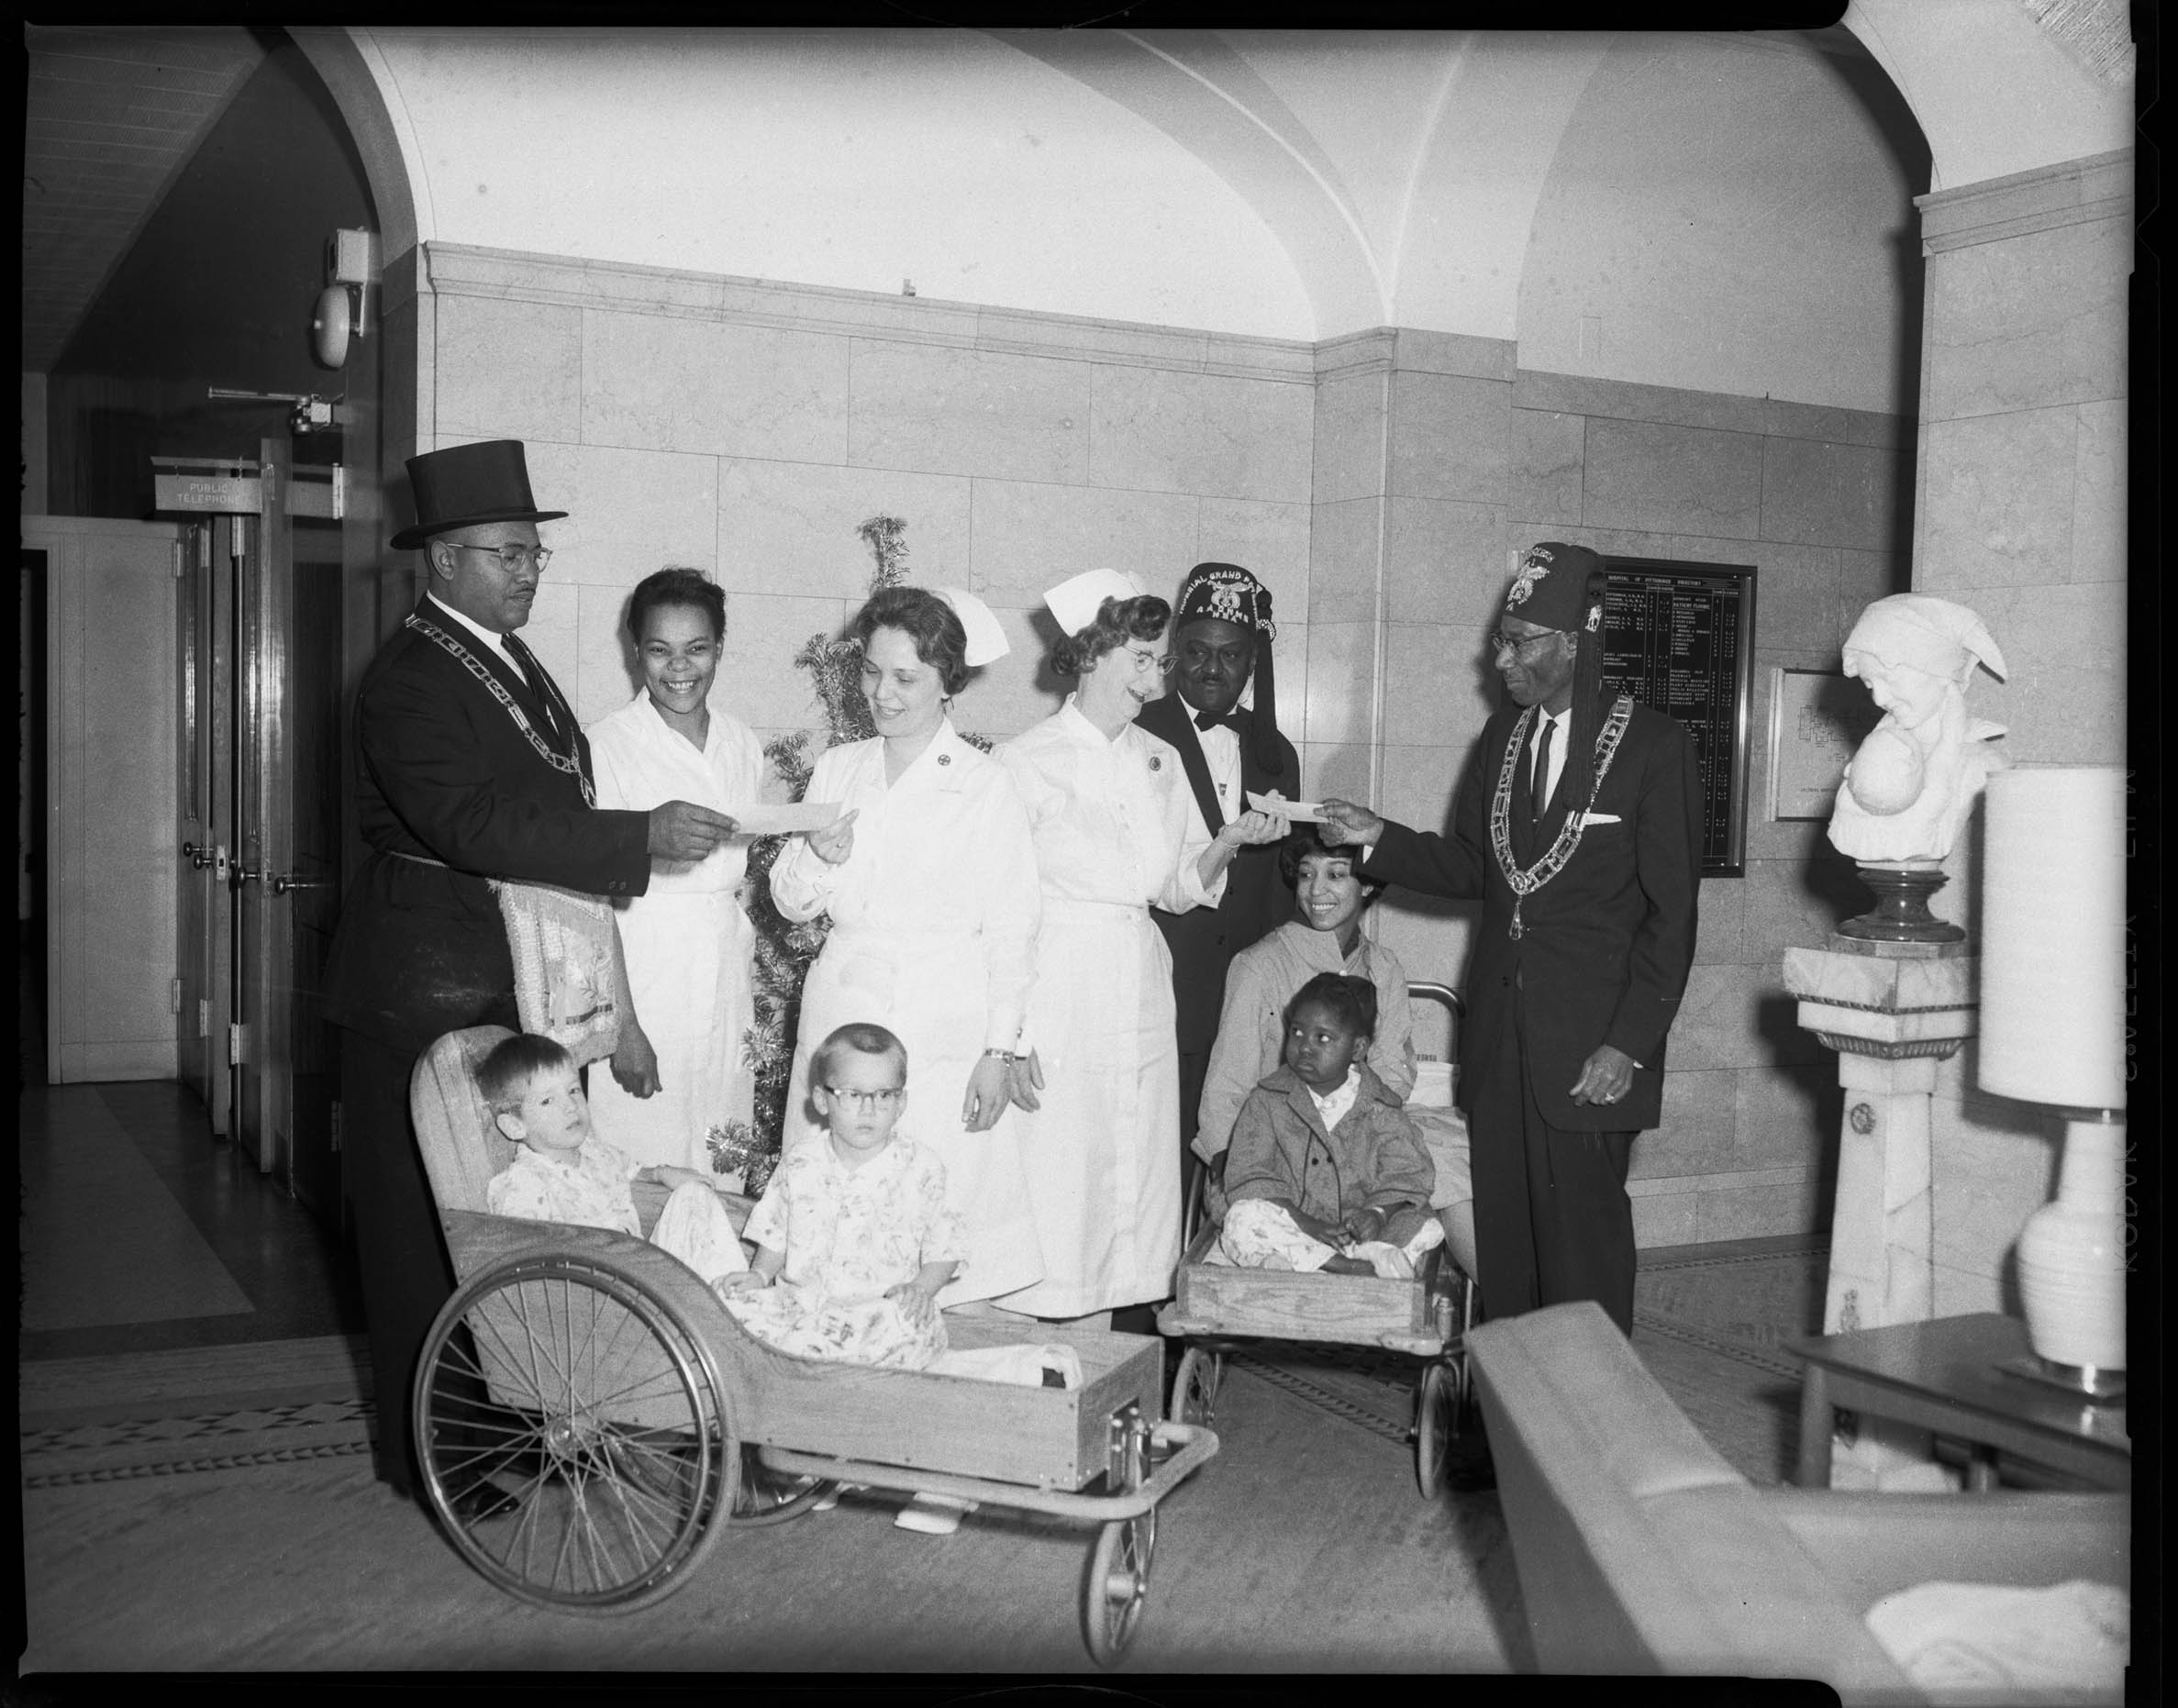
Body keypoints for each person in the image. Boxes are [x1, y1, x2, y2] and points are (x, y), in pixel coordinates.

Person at [324, 438, 739, 1514]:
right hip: (421, 984)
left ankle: (503, 1414)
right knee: (427, 1221)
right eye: (506, 555)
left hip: (496, 969)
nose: (527, 571)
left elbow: (541, 802)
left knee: (501, 1211)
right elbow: (467, 820)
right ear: (443, 561)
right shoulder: (409, 676)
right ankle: (439, 1457)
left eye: (533, 554)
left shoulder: (504, 655)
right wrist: (633, 835)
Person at [1319, 540, 1700, 1350]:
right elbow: (1474, 867)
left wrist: (1628, 1045)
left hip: (1590, 1054)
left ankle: (1591, 1439)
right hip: (1500, 1046)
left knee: (1582, 1252)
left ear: (1575, 640)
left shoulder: (1652, 748)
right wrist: (1379, 838)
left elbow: (1673, 919)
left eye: (1519, 640)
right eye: (1502, 638)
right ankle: (1510, 1439)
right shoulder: (1502, 739)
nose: (1499, 660)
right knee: (1510, 1254)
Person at [993, 569, 1286, 1325]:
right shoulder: (1025, 763)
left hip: (1140, 980)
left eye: (1162, 663)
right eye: (1146, 661)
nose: (1160, 682)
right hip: (1060, 986)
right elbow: (1002, 908)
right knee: (1063, 1181)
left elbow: (1176, 885)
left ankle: (1103, 1374)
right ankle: (1040, 1367)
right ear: (1090, 654)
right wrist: (1012, 1033)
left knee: (1132, 1187)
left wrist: (1227, 842)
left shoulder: (1156, 759)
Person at [768, 586, 1045, 1309]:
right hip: (843, 1006)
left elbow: (1013, 928)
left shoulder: (986, 786)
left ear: (950, 682)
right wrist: (819, 856)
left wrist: (1000, 1048)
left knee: (944, 1231)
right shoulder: (841, 768)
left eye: (906, 678)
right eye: (870, 671)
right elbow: (790, 903)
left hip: (942, 1019)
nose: (880, 694)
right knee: (830, 1231)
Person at [717, 1022, 1081, 1536]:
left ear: (902, 1102)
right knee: (747, 1318)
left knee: (890, 1339)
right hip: (813, 1310)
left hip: (883, 1312)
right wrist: (759, 1275)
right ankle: (819, 1462)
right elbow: (775, 1229)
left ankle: (943, 1474)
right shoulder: (801, 1162)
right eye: (853, 1095)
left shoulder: (920, 1168)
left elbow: (945, 1249)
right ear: (822, 1100)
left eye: (883, 1095)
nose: (869, 1110)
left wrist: (921, 1289)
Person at [1195, 826, 1477, 1279]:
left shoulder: (1383, 967)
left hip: (1365, 1129)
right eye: (1306, 875)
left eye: (1336, 874)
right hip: (1276, 1139)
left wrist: (1352, 1122)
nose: (1316, 890)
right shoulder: (1260, 964)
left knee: (1451, 1165)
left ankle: (1511, 1322)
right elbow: (1226, 1088)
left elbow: (1393, 1077)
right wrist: (1230, 1160)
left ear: (1366, 883)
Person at [584, 568, 765, 1172]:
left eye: (697, 649)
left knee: (724, 1151)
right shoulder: (606, 745)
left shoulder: (743, 743)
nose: (679, 667)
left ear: (720, 648)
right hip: (645, 967)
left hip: (724, 974)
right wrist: (622, 1027)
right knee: (640, 1153)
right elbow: (592, 902)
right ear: (635, 653)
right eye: (660, 650)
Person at [1133, 563, 1301, 1187]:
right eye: (1197, 652)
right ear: (1175, 653)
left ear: (1252, 661)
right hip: (1168, 980)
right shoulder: (1138, 734)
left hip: (1249, 995)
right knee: (1164, 1152)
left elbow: (1283, 884)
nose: (1211, 670)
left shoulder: (1276, 751)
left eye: (1230, 656)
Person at [479, 1032, 750, 1290]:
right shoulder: (523, 1184)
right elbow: (525, 1264)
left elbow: (629, 1170)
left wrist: (660, 1173)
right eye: (548, 1100)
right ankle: (724, 1310)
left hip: (645, 1276)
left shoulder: (596, 1153)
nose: (570, 1106)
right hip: (599, 1297)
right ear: (514, 1126)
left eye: (573, 1090)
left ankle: (732, 1297)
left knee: (692, 1195)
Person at [1219, 974, 1443, 1280]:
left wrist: (1378, 1214)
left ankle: (1353, 1259)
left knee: (1428, 1227)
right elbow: (1248, 1173)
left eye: (1322, 1038)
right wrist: (1305, 1224)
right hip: (1295, 1229)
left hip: (1361, 1236)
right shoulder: (1267, 1101)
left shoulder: (1381, 1109)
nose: (1304, 1047)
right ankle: (1347, 1269)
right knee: (1240, 1220)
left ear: (1357, 1048)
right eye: (1296, 1032)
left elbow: (1408, 1173)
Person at [1828, 594, 2007, 863]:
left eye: (1888, 679)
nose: (1879, 698)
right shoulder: (1875, 755)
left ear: (1940, 672)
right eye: (1869, 683)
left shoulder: (1983, 765)